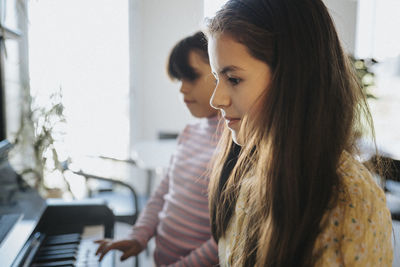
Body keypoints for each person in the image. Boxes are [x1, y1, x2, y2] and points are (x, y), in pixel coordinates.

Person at [205, 0, 393, 266]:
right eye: (216, 78)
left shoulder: (351, 201)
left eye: (233, 79)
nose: (216, 99)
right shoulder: (248, 165)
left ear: (294, 80)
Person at [95, 32, 220, 266]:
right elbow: (162, 194)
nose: (182, 89)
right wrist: (138, 236)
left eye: (191, 77)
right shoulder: (190, 133)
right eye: (179, 79)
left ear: (221, 73)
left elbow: (225, 239)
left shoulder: (237, 143)